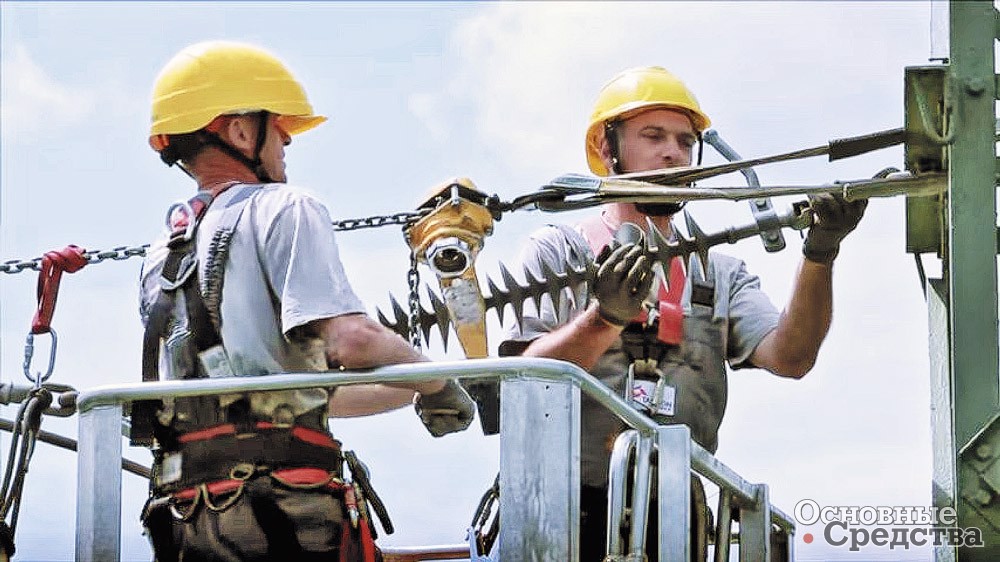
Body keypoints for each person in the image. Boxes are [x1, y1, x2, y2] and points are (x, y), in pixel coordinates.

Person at [500, 66, 867, 560]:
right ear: (608, 149)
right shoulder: (558, 254)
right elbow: (526, 380)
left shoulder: (718, 273)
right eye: (652, 137)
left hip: (675, 518)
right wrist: (603, 319)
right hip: (559, 515)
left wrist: (820, 254)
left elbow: (792, 356)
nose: (673, 152)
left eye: (685, 141)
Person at [137, 40, 476, 562]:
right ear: (240, 131)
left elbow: (287, 397)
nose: (287, 142)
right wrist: (439, 380)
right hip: (280, 507)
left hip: (186, 512)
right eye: (279, 127)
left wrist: (414, 392)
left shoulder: (161, 254)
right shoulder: (285, 208)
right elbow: (352, 338)